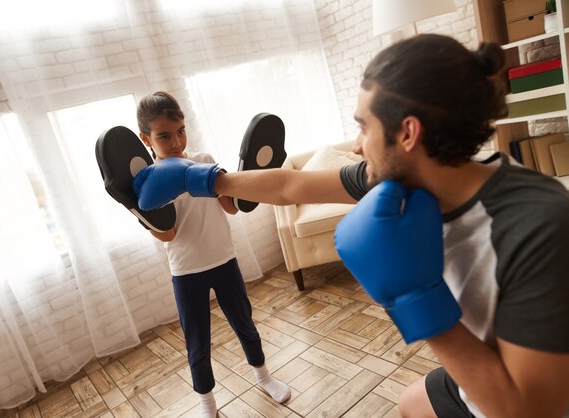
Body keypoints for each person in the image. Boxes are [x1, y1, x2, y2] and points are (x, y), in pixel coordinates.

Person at [133, 35, 569, 418]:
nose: (356, 145)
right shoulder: (396, 177)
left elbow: (529, 410)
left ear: (408, 134)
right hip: (482, 361)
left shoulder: (538, 227)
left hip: (523, 394)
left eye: (362, 127)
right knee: (411, 404)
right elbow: (290, 185)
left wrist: (417, 301)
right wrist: (202, 179)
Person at [131, 91, 291, 418]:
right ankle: (208, 404)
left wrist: (249, 181)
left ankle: (264, 377)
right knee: (198, 342)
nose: (176, 142)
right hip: (186, 271)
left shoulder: (203, 160)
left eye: (180, 130)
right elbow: (169, 233)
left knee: (245, 324)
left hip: (224, 261)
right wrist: (137, 210)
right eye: (164, 136)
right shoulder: (151, 183)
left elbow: (230, 208)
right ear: (145, 138)